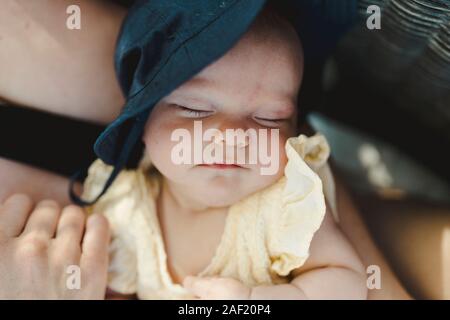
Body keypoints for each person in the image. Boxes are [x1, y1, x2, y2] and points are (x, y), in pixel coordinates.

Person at [0, 0, 411, 299]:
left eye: (269, 119)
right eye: (194, 110)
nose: (231, 134)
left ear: (294, 131)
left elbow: (346, 279)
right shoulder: (126, 209)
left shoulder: (281, 206)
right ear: (140, 125)